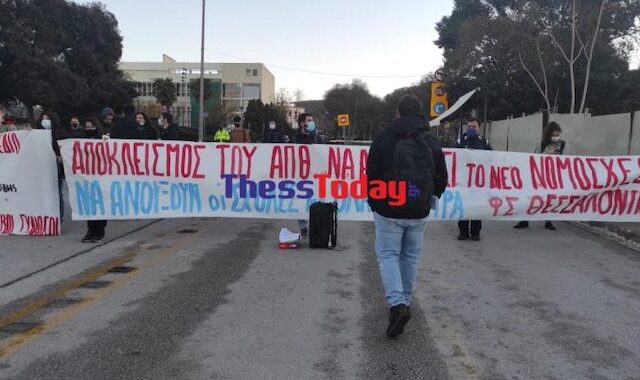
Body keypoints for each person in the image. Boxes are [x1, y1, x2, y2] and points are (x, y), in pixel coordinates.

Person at [367, 94, 448, 337]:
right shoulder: (431, 140)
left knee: (388, 255)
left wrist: (375, 201)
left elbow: (371, 173)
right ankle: (404, 302)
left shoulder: (383, 138)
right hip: (419, 209)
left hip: (388, 207)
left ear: (398, 113)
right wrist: (429, 198)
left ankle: (397, 305)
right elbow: (441, 177)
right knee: (410, 257)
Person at [514, 122, 565, 231]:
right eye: (553, 135)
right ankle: (525, 220)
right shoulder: (541, 145)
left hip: (555, 177)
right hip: (540, 176)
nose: (556, 137)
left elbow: (568, 161)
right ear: (548, 135)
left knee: (550, 199)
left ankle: (548, 221)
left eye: (557, 135)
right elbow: (534, 159)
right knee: (532, 198)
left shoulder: (563, 145)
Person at [456, 116, 492, 241]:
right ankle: (463, 231)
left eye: (474, 127)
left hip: (478, 181)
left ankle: (476, 232)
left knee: (477, 206)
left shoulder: (484, 142)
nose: (471, 128)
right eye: (469, 126)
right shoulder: (461, 141)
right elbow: (453, 157)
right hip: (463, 180)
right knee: (464, 206)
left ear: (479, 128)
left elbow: (491, 158)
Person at [81, 117, 108, 243]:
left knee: (100, 204)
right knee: (90, 205)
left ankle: (99, 231)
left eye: (91, 127)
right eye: (86, 127)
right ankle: (90, 230)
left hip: (100, 176)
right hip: (87, 177)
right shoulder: (81, 141)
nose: (88, 130)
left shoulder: (102, 140)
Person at [38, 111, 67, 220]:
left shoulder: (59, 134)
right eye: (43, 118)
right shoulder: (37, 134)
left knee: (57, 194)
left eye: (47, 118)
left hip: (56, 168)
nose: (44, 120)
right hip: (42, 168)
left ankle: (59, 218)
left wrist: (60, 156)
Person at [295, 113, 316, 238]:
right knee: (300, 202)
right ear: (302, 123)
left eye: (312, 120)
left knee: (315, 202)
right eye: (309, 120)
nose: (312, 122)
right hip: (300, 174)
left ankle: (316, 226)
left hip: (314, 174)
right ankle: (303, 228)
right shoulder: (295, 138)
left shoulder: (316, 138)